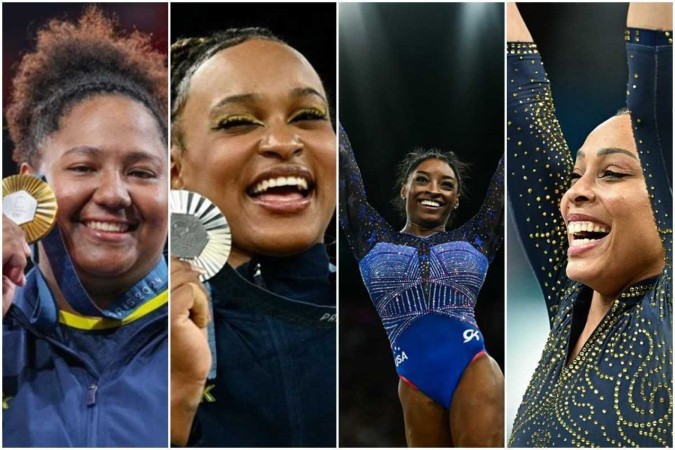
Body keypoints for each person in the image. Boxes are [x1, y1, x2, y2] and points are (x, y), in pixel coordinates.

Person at [2, 6, 168, 447]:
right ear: (29, 183)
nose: (115, 194)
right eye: (83, 166)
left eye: (142, 172)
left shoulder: (219, 331)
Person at [507, 3, 672, 447]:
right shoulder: (571, 302)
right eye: (575, 175)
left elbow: (657, 71)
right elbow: (518, 95)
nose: (573, 193)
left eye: (613, 173)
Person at [169, 28, 336, 447]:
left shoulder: (395, 313)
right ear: (175, 173)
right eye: (238, 122)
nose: (284, 142)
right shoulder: (123, 326)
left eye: (309, 116)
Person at [340, 124, 504, 445]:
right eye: (422, 179)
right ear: (405, 189)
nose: (434, 189)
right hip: (413, 382)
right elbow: (342, 167)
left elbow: (507, 170)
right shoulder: (370, 240)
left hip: (471, 366)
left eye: (447, 185)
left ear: (455, 199)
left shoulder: (478, 238)